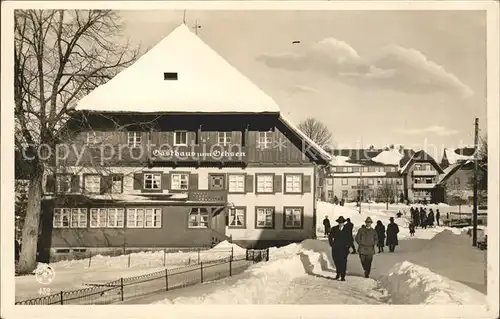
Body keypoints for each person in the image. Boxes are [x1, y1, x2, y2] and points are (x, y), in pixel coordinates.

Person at [328, 216, 352, 281]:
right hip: (336, 248)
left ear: (344, 223)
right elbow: (330, 236)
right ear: (338, 222)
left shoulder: (347, 229)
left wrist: (348, 246)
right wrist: (331, 244)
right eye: (339, 222)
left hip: (344, 249)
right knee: (336, 261)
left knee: (343, 262)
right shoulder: (334, 229)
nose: (340, 223)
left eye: (342, 222)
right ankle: (338, 272)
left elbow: (350, 238)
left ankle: (343, 276)